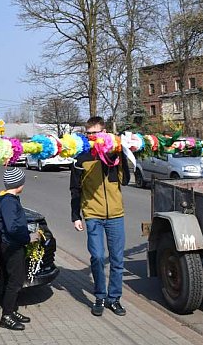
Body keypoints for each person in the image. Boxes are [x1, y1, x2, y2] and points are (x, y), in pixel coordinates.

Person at [70, 116, 130, 317]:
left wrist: (121, 156)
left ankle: (114, 299)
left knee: (117, 260)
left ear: (104, 133)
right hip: (93, 215)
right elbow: (75, 189)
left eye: (96, 133)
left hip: (115, 215)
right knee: (96, 257)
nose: (93, 136)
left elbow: (126, 180)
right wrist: (75, 215)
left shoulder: (114, 156)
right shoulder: (81, 159)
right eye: (89, 133)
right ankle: (100, 297)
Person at [0, 167, 39, 331]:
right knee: (15, 281)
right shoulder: (9, 202)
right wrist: (28, 237)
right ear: (19, 184)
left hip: (13, 244)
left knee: (14, 279)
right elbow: (13, 227)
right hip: (12, 246)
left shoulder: (9, 199)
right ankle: (6, 317)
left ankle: (11, 310)